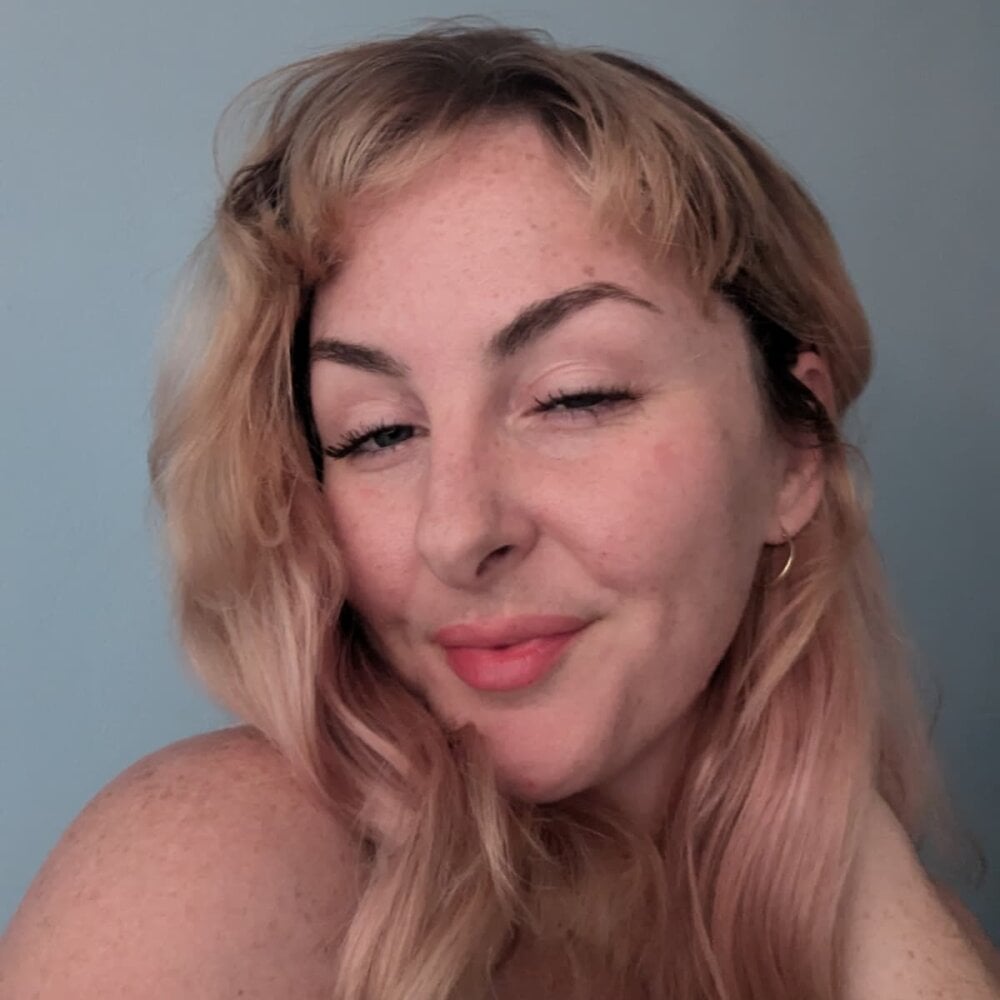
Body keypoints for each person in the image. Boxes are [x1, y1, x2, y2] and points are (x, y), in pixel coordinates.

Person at [1, 21, 997, 1000]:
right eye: (377, 433)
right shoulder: (218, 874)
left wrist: (829, 830)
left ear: (794, 452)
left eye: (573, 397)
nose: (458, 531)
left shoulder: (891, 931)